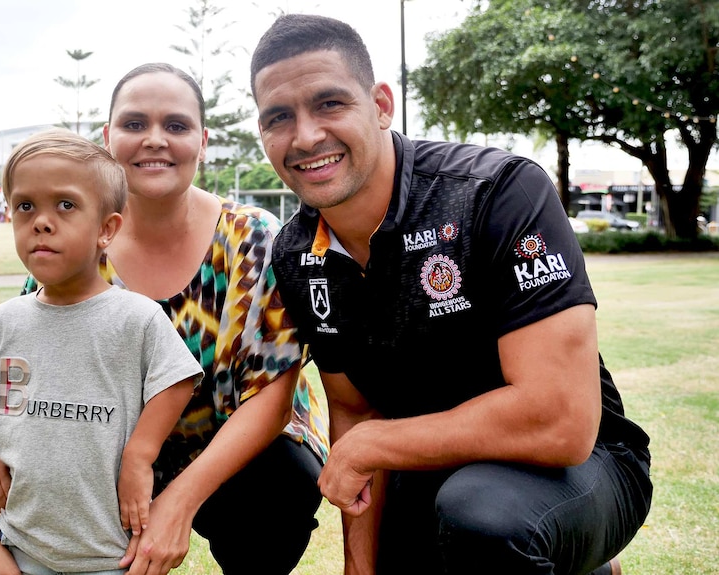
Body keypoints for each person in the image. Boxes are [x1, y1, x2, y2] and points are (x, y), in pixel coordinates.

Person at [250, 13, 652, 575]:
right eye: (279, 118)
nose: (306, 136)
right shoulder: (295, 254)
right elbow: (354, 407)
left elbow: (562, 420)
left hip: (582, 465)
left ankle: (573, 557)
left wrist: (373, 445)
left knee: (484, 519)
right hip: (430, 469)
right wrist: (359, 568)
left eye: (330, 104)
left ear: (381, 105)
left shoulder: (499, 192)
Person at [0, 64, 329, 575]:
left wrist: (177, 503)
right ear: (107, 139)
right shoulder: (73, 247)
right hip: (109, 447)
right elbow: (22, 404)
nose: (154, 140)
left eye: (176, 126)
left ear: (202, 142)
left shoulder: (253, 238)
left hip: (239, 452)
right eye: (134, 124)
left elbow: (270, 400)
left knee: (279, 482)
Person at [0, 129, 204, 574]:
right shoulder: (6, 319)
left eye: (66, 205)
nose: (41, 221)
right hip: (21, 544)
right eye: (25, 206)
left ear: (107, 229)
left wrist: (139, 454)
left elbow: (179, 380)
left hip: (109, 553)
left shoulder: (136, 317)